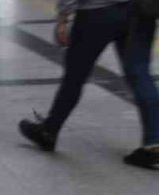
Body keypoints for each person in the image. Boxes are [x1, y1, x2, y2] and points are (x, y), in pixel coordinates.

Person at [19, 0, 159, 169]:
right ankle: (154, 141)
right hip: (139, 11)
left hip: (97, 13)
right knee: (140, 73)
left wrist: (63, 16)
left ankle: (48, 131)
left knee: (75, 75)